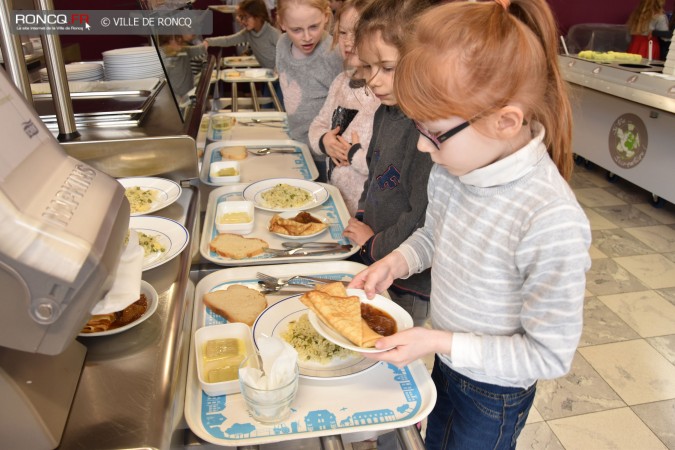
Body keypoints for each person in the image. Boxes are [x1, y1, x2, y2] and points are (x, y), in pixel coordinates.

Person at [349, 0, 592, 448]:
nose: (422, 149)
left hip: (494, 393)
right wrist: (397, 261)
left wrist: (442, 341)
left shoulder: (549, 219)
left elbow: (549, 354)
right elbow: (436, 235)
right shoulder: (453, 170)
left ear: (504, 122)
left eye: (433, 133)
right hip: (446, 359)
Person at [342, 0, 433, 326]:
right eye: (367, 68)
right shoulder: (385, 112)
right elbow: (373, 174)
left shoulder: (428, 132)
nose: (373, 81)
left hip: (410, 279)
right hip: (376, 256)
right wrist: (363, 219)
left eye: (387, 68)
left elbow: (421, 219)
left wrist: (373, 245)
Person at [307, 0, 380, 216]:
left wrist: (353, 154)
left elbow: (385, 163)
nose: (348, 42)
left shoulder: (382, 94)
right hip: (335, 202)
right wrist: (324, 140)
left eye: (357, 33)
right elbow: (318, 124)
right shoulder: (340, 82)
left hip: (365, 213)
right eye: (343, 33)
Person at [275, 0, 344, 181]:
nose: (306, 37)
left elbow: (348, 100)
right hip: (296, 144)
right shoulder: (281, 45)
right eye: (296, 30)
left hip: (325, 154)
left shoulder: (333, 53)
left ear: (326, 17)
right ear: (282, 23)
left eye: (314, 27)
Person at [206, 0, 280, 70]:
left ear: (258, 17)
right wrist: (208, 42)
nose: (243, 22)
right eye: (241, 18)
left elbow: (287, 53)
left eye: (245, 18)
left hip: (281, 76)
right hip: (268, 75)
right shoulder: (248, 33)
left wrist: (278, 70)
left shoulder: (272, 33)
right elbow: (228, 40)